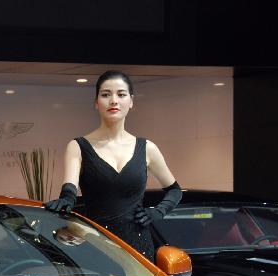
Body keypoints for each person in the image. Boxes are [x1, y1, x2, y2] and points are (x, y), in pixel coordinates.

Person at [44, 70, 183, 260]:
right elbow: (70, 188)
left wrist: (158, 212)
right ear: (96, 102)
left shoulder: (147, 148)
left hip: (138, 249)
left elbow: (175, 190)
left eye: (121, 94)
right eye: (106, 94)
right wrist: (67, 200)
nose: (114, 101)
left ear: (131, 101)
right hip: (95, 246)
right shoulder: (78, 146)